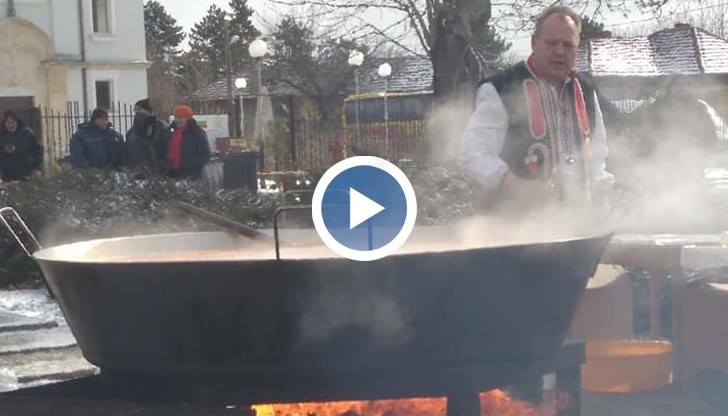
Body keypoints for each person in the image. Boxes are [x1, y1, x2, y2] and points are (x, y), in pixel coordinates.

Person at [458, 5, 614, 216]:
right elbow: (471, 153)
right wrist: (513, 184)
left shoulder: (586, 92)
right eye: (551, 43)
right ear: (533, 43)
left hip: (576, 226)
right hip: (510, 230)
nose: (559, 51)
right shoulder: (500, 89)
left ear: (577, 49)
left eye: (568, 44)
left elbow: (597, 160)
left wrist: (605, 210)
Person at [162, 105, 210, 179]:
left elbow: (205, 156)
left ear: (188, 118)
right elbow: (168, 152)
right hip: (173, 174)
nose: (178, 120)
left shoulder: (197, 134)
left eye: (181, 117)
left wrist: (191, 167)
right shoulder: (172, 133)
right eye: (176, 117)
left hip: (191, 176)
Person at [123, 98, 171, 171]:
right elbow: (127, 154)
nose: (137, 112)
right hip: (137, 175)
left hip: (158, 174)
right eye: (135, 110)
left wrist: (162, 169)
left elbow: (168, 151)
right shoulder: (131, 132)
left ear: (148, 111)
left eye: (140, 109)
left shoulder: (162, 128)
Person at [0, 110, 43, 181]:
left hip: (25, 169)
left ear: (17, 123)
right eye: (8, 123)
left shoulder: (27, 134)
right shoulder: (1, 134)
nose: (10, 125)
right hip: (6, 171)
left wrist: (37, 166)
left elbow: (37, 150)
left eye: (12, 123)